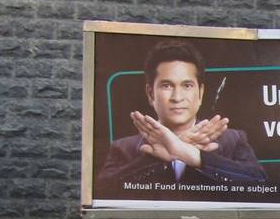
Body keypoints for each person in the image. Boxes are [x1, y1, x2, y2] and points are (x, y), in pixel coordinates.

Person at [97, 40, 265, 193]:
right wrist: (154, 159)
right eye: (167, 85)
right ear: (150, 94)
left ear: (200, 93)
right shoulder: (123, 148)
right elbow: (102, 192)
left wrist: (195, 157)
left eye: (187, 85)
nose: (177, 97)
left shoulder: (233, 140)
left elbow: (261, 184)